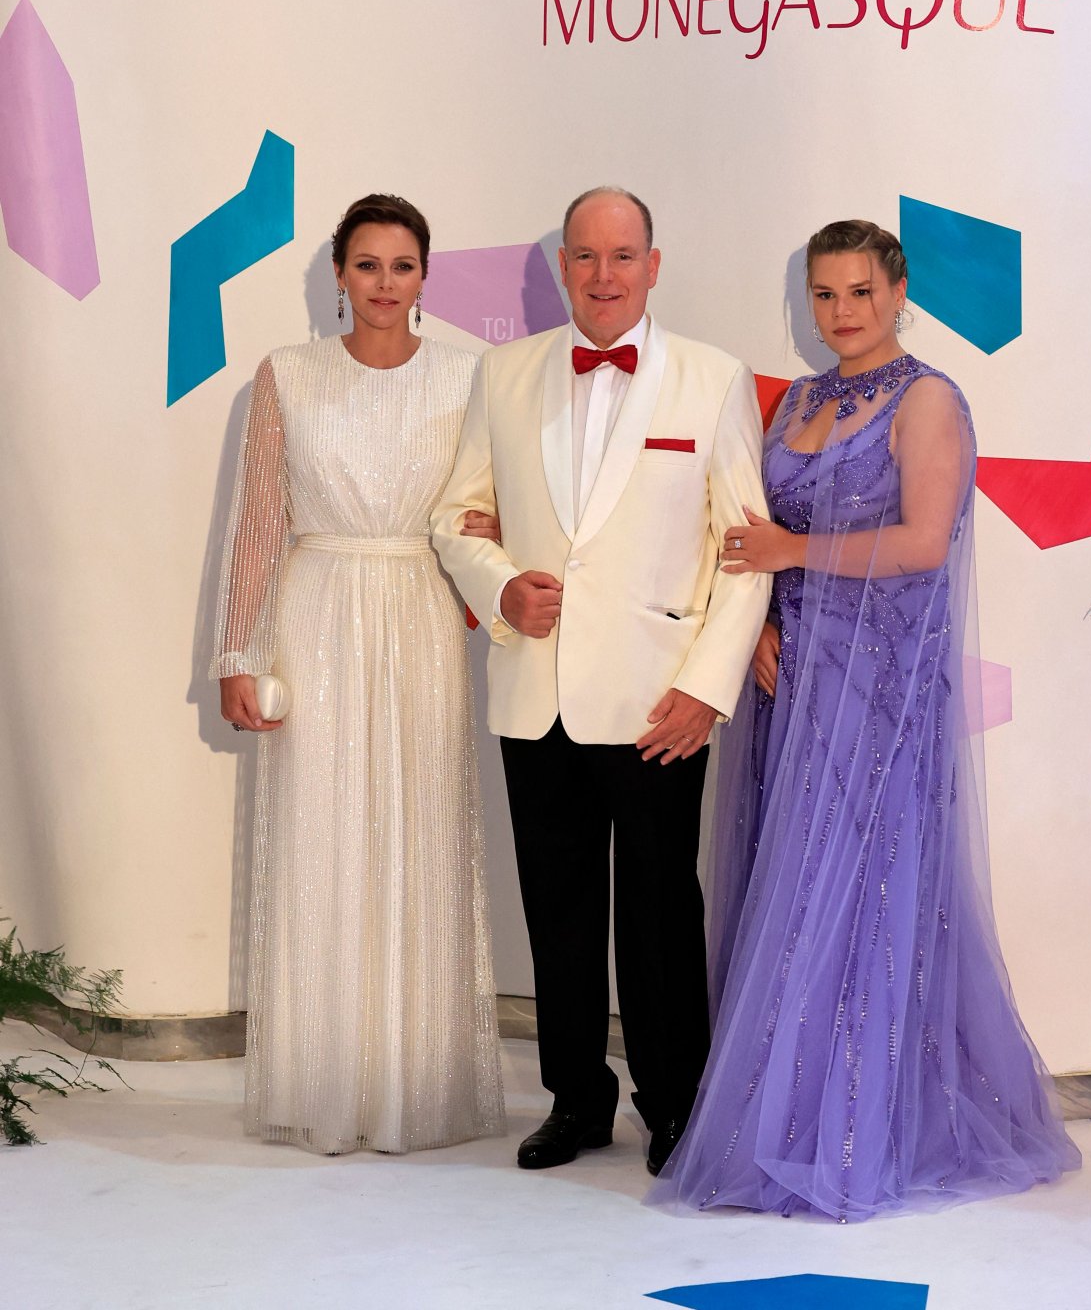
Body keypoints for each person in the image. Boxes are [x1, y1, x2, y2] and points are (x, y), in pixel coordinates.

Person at [651, 219, 1080, 1220]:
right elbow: (748, 536)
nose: (841, 313)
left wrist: (790, 561)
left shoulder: (928, 399)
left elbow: (925, 543)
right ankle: (780, 1114)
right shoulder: (799, 398)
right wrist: (754, 627)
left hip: (878, 689)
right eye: (825, 295)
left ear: (899, 295)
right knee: (787, 889)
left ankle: (852, 1127)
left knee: (856, 896)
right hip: (789, 680)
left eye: (860, 293)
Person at [431, 188, 771, 1175]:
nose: (604, 275)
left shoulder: (713, 379)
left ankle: (676, 1103)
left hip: (660, 698)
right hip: (536, 690)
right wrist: (501, 592)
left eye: (623, 256)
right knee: (558, 907)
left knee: (663, 911)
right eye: (586, 256)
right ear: (563, 269)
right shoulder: (504, 374)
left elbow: (743, 551)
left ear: (653, 266)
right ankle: (576, 1098)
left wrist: (708, 686)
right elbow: (457, 518)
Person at [211, 193, 505, 1155]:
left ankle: (413, 1082)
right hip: (316, 614)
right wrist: (235, 653)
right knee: (321, 834)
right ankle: (326, 1078)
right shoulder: (285, 376)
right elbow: (258, 523)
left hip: (418, 615)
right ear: (338, 274)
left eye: (403, 266)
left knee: (416, 829)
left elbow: (485, 515)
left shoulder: (469, 379)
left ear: (427, 277)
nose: (385, 284)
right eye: (367, 265)